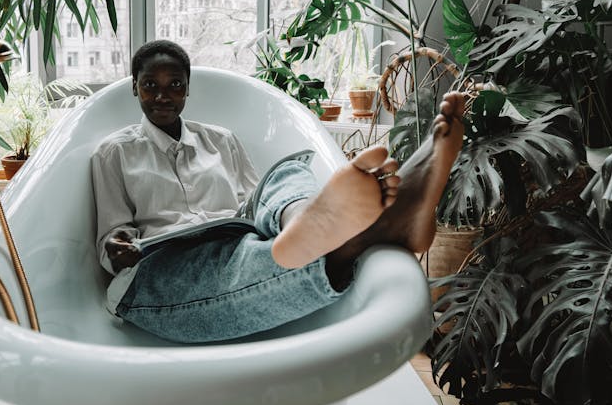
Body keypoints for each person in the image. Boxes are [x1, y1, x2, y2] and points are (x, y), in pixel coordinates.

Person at [91, 40, 465, 343]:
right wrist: (117, 245)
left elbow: (260, 200)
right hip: (164, 272)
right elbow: (113, 232)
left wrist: (284, 220)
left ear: (188, 89)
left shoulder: (221, 140)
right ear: (134, 88)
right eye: (149, 85)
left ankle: (303, 222)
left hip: (236, 243)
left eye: (174, 84)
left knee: (285, 171)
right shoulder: (114, 152)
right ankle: (389, 223)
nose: (162, 96)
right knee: (258, 262)